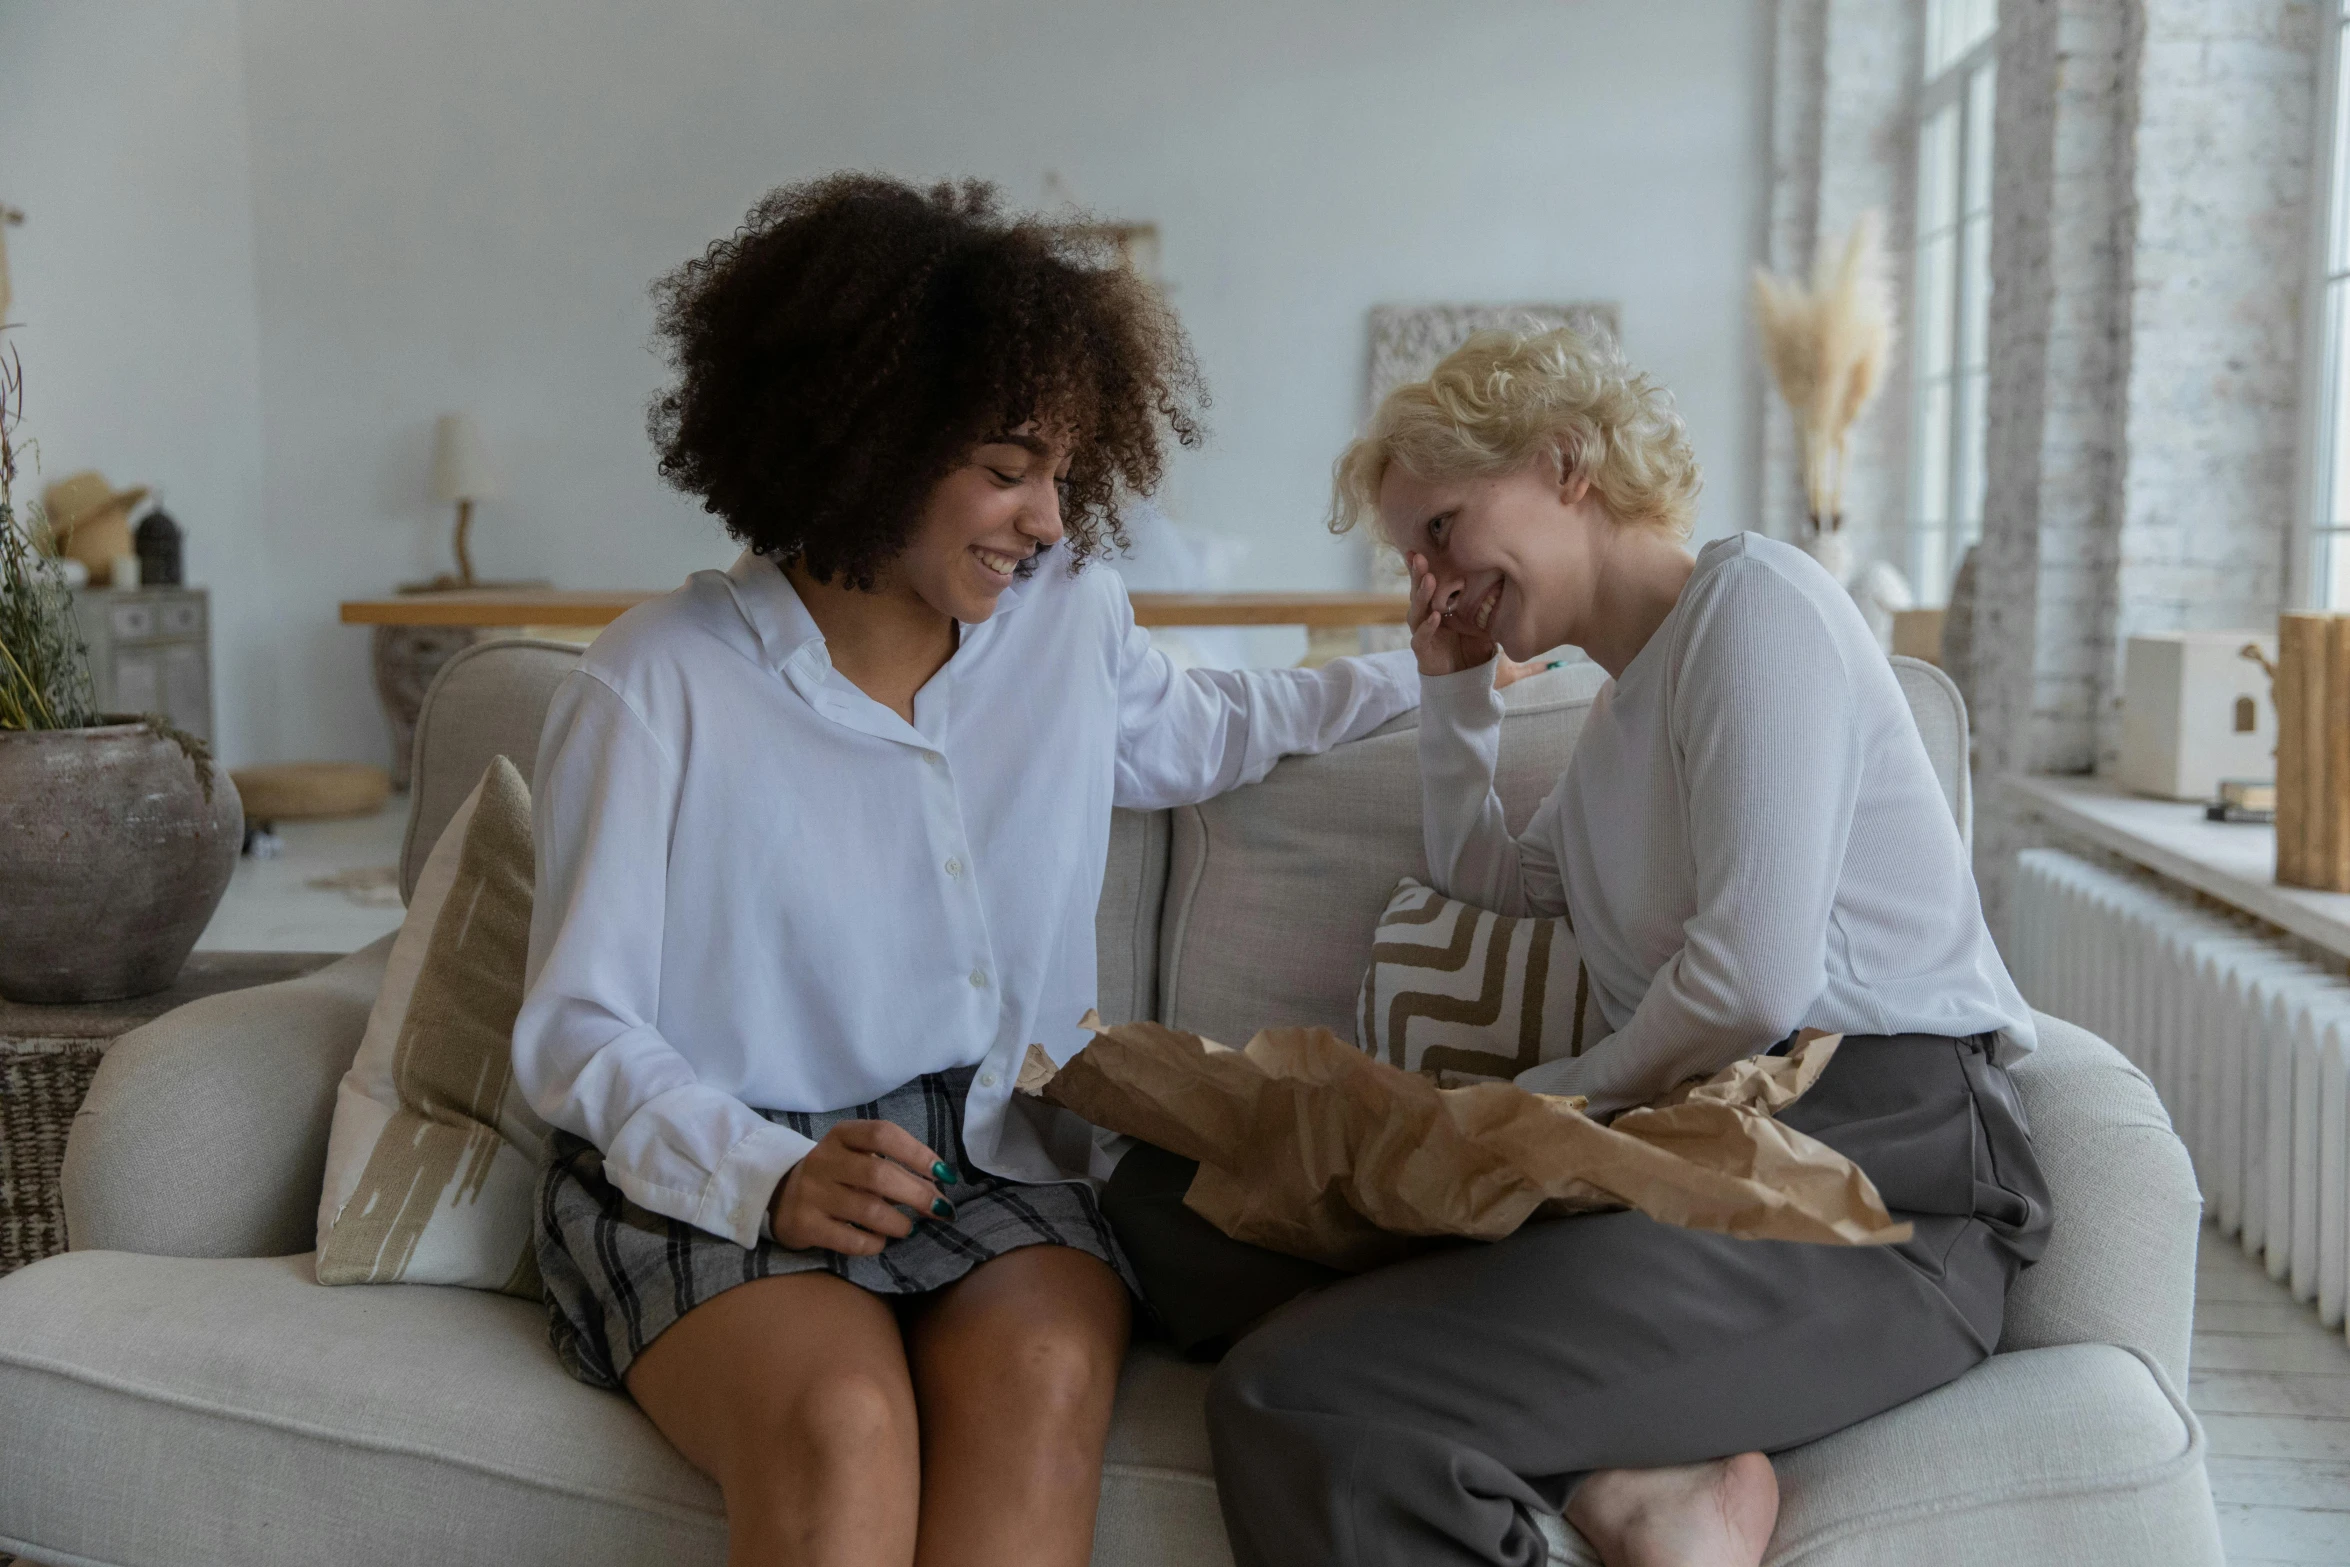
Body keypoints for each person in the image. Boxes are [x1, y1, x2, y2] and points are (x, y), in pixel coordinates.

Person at [511, 174, 1427, 1567]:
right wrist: (763, 1170)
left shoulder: (1070, 623)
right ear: (861, 438)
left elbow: (1199, 729)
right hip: (729, 1143)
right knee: (843, 1419)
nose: (1050, 519)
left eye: (1062, 470)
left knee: (1044, 1378)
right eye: (1006, 468)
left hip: (998, 1145)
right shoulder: (653, 685)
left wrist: (1419, 669)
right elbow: (576, 1028)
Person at [1200, 326, 2053, 1567]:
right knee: (1194, 1239)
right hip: (1706, 1154)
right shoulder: (1616, 714)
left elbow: (1749, 980)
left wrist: (1532, 1114)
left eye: (1439, 528)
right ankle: (1654, 1483)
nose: (1431, 580)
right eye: (1411, 557)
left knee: (1288, 1389)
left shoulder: (1752, 606)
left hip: (1880, 1174)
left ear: (1564, 463)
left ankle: (1647, 1482)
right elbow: (1503, 885)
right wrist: (1448, 690)